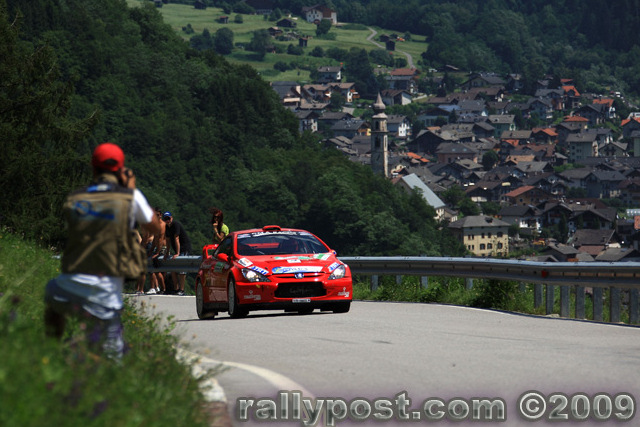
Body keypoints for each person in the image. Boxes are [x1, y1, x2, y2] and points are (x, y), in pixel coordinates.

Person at [44, 142, 161, 359]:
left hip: (66, 289)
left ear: (93, 167)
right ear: (120, 170)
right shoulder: (129, 197)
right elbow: (155, 227)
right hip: (104, 298)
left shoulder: (75, 198)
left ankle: (50, 351)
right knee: (111, 363)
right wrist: (130, 189)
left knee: (52, 294)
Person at [163, 211, 192, 296]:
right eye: (166, 219)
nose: (167, 220)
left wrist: (178, 253)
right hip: (177, 250)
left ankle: (182, 290)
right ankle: (176, 289)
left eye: (168, 218)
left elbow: (176, 238)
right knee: (173, 269)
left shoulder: (176, 224)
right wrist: (167, 252)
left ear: (171, 218)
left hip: (184, 248)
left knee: (182, 270)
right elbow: (168, 241)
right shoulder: (167, 227)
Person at [147, 207, 166, 295]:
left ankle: (163, 288)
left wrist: (158, 252)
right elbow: (155, 239)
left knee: (157, 270)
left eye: (158, 215)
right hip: (156, 248)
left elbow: (161, 239)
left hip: (163, 248)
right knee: (155, 269)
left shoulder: (162, 225)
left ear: (161, 215)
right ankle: (160, 288)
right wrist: (151, 250)